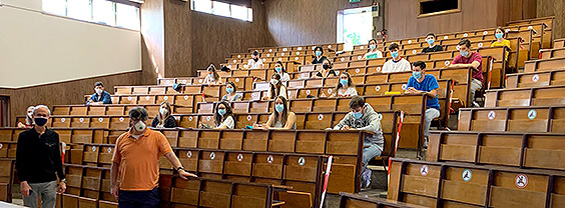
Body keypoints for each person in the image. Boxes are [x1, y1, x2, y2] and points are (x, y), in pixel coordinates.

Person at [110, 107, 197, 207]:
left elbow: (169, 154)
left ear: (146, 120)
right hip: (126, 190)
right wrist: (113, 185)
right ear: (131, 120)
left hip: (148, 190)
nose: (139, 122)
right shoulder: (121, 139)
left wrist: (180, 169)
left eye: (142, 120)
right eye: (136, 120)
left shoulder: (157, 136)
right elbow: (115, 163)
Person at [16, 105, 66, 208]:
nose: (41, 117)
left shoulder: (54, 136)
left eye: (44, 115)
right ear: (33, 116)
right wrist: (23, 181)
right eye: (38, 115)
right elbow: (20, 160)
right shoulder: (24, 136)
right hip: (30, 181)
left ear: (49, 118)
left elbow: (57, 158)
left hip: (49, 181)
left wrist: (62, 179)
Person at [332, 96, 384, 188]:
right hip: (359, 143)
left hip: (375, 144)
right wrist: (342, 128)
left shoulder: (372, 115)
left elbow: (374, 128)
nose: (355, 113)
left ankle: (355, 182)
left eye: (357, 110)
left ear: (363, 107)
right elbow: (337, 126)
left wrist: (354, 129)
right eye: (353, 111)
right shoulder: (350, 115)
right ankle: (344, 180)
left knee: (362, 156)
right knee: (344, 153)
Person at [404, 61, 440, 148]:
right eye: (413, 70)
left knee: (426, 117)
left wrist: (419, 92)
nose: (414, 73)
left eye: (417, 70)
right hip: (417, 108)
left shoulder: (431, 78)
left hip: (432, 108)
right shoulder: (411, 79)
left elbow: (433, 94)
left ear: (423, 70)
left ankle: (424, 138)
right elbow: (406, 91)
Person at [449, 38, 483, 107]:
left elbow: (474, 66)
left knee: (469, 89)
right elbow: (451, 66)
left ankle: (470, 105)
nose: (461, 51)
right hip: (462, 80)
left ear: (469, 48)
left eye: (464, 49)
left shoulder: (477, 55)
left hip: (475, 80)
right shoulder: (459, 57)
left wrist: (458, 65)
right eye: (460, 49)